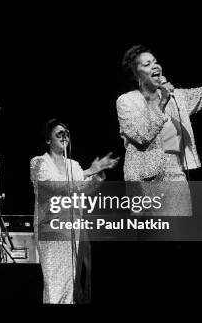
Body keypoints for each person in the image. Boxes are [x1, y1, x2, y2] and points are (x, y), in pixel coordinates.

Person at [116, 29, 202, 216]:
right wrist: (162, 103)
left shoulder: (176, 98)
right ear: (136, 75)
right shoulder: (127, 101)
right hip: (144, 181)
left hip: (176, 177)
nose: (155, 66)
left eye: (155, 61)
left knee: (179, 237)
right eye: (147, 64)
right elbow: (141, 135)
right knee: (153, 238)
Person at [30, 119, 118, 304]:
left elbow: (83, 190)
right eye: (59, 134)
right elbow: (55, 185)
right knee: (55, 281)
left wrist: (97, 175)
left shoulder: (74, 165)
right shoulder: (38, 163)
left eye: (66, 134)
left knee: (71, 282)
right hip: (51, 229)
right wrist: (88, 171)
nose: (64, 137)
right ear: (48, 140)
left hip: (72, 227)